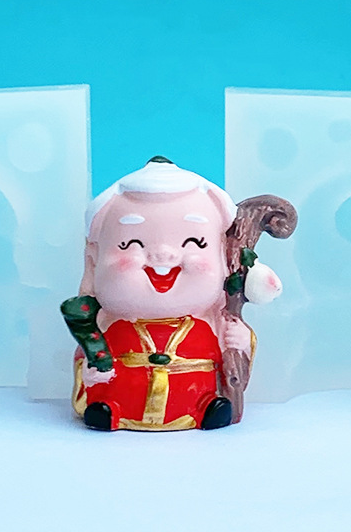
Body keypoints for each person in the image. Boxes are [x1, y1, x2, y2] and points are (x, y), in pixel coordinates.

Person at [64, 156, 269, 431]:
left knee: (212, 400)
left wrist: (242, 341)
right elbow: (87, 355)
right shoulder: (105, 327)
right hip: (123, 399)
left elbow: (234, 355)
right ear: (93, 260)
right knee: (105, 397)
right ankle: (109, 411)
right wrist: (92, 373)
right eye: (131, 243)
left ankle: (206, 407)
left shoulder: (213, 322)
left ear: (223, 258)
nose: (163, 255)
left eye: (195, 242)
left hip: (195, 396)